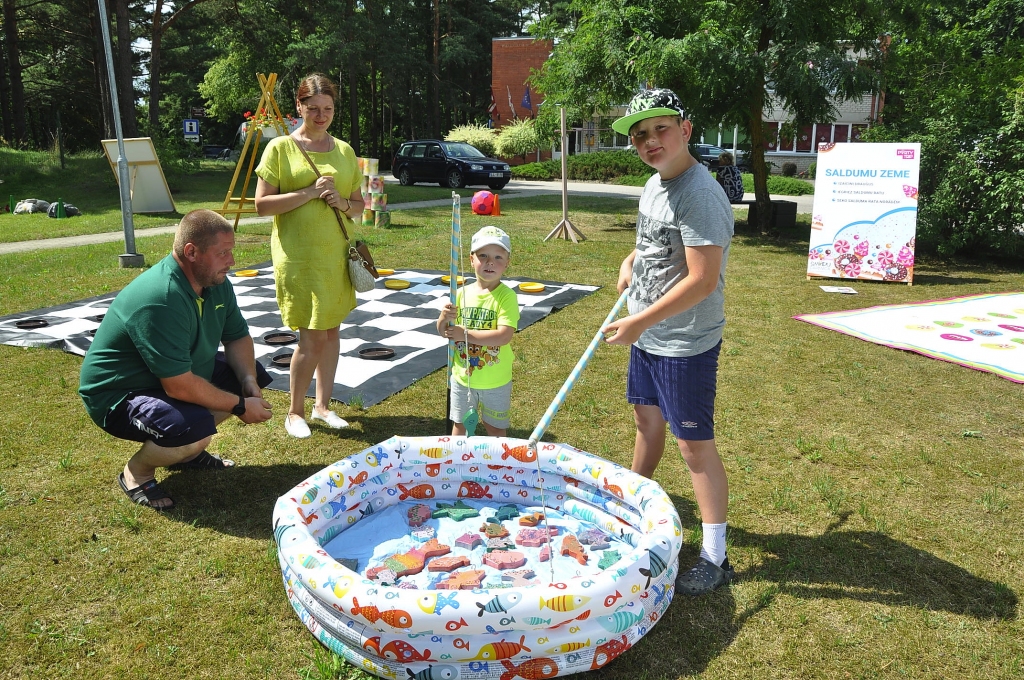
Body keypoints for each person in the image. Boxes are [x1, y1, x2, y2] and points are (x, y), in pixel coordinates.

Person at [603, 89, 735, 595]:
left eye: (660, 129)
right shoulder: (654, 184)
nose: (650, 141)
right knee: (645, 419)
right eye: (640, 135)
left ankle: (716, 557)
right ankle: (632, 504)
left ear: (685, 128)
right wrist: (629, 263)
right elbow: (651, 243)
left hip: (684, 341)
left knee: (693, 445)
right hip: (649, 331)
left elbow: (703, 279)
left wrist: (639, 323)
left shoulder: (700, 194)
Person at [79, 210, 274, 511]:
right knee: (192, 429)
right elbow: (179, 386)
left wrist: (248, 383)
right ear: (191, 252)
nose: (231, 261)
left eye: (231, 251)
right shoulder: (161, 297)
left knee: (248, 375)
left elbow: (237, 337)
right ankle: (137, 473)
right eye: (223, 253)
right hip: (117, 397)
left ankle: (186, 454)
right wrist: (238, 405)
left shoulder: (214, 282)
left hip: (167, 380)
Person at [254, 73, 365, 438]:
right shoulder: (280, 149)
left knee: (332, 332)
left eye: (328, 109)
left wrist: (342, 201)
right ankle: (294, 411)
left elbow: (359, 207)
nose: (321, 116)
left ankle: (322, 407)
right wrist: (309, 192)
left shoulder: (345, 151)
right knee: (312, 336)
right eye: (313, 108)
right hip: (298, 257)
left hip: (334, 255)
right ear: (298, 107)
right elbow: (262, 205)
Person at [436, 226, 519, 437]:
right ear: (471, 259)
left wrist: (465, 334)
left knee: (495, 428)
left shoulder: (506, 297)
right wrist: (444, 319)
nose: (490, 262)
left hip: (496, 379)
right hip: (462, 377)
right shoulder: (461, 294)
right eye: (483, 255)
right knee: (460, 426)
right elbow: (444, 332)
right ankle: (456, 464)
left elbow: (504, 336)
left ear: (507, 263)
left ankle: (498, 466)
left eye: (498, 257)